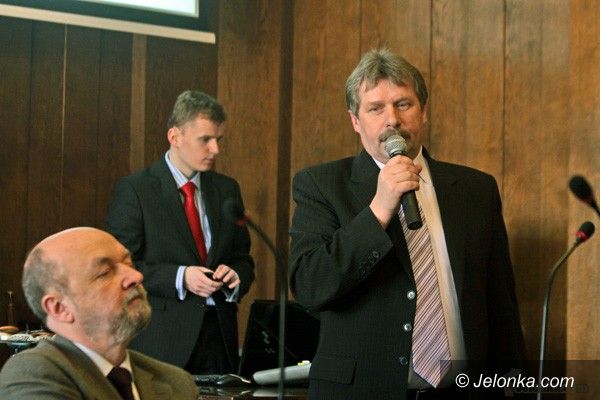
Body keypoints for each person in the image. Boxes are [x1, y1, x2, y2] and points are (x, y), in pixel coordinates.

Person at [289, 48, 525, 399]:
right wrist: (379, 209)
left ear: (423, 112)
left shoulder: (476, 190)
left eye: (403, 104)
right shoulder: (321, 185)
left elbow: (500, 299)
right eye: (375, 108)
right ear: (355, 121)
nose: (392, 120)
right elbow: (310, 286)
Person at [106, 90, 254, 375]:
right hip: (162, 342)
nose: (215, 150)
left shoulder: (227, 189)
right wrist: (180, 278)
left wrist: (236, 276)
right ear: (174, 137)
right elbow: (119, 267)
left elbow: (243, 259)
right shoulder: (135, 190)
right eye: (205, 140)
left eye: (218, 140)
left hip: (219, 340)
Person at [0, 227, 199, 399]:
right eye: (105, 273)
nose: (136, 276)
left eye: (129, 264)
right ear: (60, 308)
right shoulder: (32, 373)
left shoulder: (175, 381)